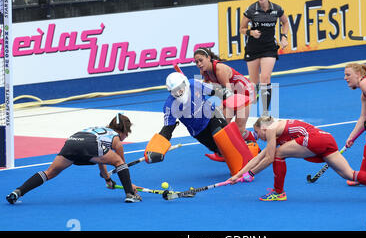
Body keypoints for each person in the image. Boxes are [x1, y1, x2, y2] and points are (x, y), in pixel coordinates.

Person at [229, 117, 366, 201]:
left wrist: (250, 174)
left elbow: (268, 158)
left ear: (263, 127)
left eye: (257, 131)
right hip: (326, 138)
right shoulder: (277, 129)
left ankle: (278, 192)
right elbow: (258, 157)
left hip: (314, 140)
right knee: (349, 174)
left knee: (277, 154)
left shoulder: (271, 129)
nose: (258, 136)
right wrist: (238, 175)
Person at [6, 114, 142, 204]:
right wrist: (129, 186)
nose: (126, 137)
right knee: (118, 162)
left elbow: (101, 159)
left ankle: (18, 192)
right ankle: (130, 195)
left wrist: (107, 179)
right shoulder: (115, 138)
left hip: (73, 141)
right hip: (90, 145)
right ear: (124, 131)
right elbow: (121, 165)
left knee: (50, 172)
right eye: (127, 134)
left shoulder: (100, 130)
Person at [240, 0, 289, 115]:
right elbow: (242, 29)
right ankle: (250, 107)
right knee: (254, 83)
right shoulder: (251, 10)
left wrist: (284, 37)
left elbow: (285, 23)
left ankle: (266, 113)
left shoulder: (277, 9)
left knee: (265, 78)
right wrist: (251, 32)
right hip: (253, 48)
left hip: (269, 48)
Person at [157, 72, 229, 162]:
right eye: (175, 91)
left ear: (185, 83)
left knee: (223, 138)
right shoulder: (170, 106)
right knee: (220, 151)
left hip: (211, 115)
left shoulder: (195, 84)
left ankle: (241, 150)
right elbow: (167, 129)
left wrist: (224, 92)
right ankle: (223, 154)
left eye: (180, 89)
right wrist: (157, 147)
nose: (179, 93)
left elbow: (213, 90)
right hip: (199, 131)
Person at [193, 47, 256, 141]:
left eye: (201, 60)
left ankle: (256, 149)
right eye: (196, 62)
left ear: (208, 58)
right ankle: (226, 152)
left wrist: (218, 108)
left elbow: (228, 95)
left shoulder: (219, 69)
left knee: (239, 130)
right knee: (221, 126)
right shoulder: (203, 71)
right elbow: (207, 88)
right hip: (232, 95)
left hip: (245, 93)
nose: (199, 64)